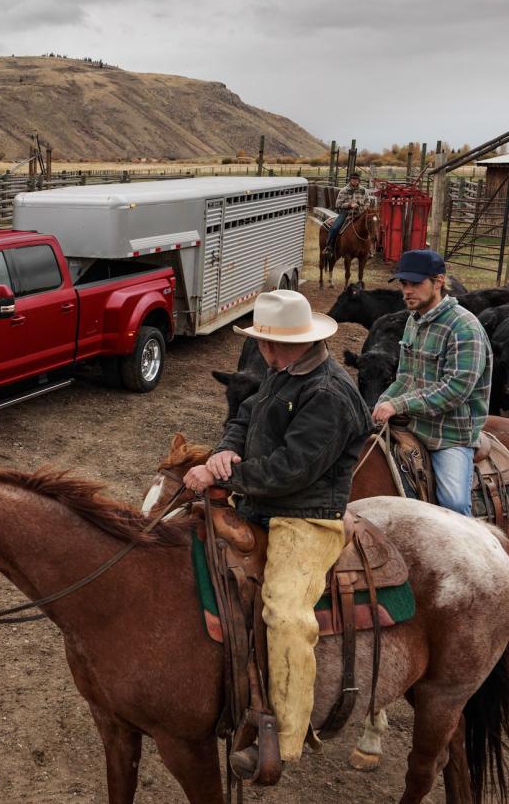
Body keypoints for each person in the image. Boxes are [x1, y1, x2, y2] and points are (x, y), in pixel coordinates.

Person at [183, 290, 371, 773]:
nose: (264, 351)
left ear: (295, 341)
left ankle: (283, 741)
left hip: (305, 514)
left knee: (286, 613)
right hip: (260, 501)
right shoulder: (281, 369)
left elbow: (294, 470)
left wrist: (222, 475)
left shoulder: (330, 394)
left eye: (270, 343)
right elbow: (244, 417)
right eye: (263, 342)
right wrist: (223, 450)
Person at [372, 249, 491, 515]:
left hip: (450, 434)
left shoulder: (464, 328)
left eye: (415, 283)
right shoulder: (414, 321)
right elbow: (405, 378)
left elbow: (456, 389)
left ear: (438, 282)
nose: (407, 291)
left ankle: (470, 548)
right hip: (417, 424)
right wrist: (381, 404)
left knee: (453, 504)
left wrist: (399, 404)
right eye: (404, 283)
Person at [326, 172, 371, 254]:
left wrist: (362, 209)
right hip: (346, 213)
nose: (355, 181)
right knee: (334, 227)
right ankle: (329, 246)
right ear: (350, 180)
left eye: (356, 179)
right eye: (353, 179)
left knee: (370, 227)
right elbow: (338, 204)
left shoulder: (363, 190)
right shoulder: (343, 190)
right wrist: (349, 205)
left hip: (360, 214)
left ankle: (369, 249)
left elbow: (368, 202)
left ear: (359, 180)